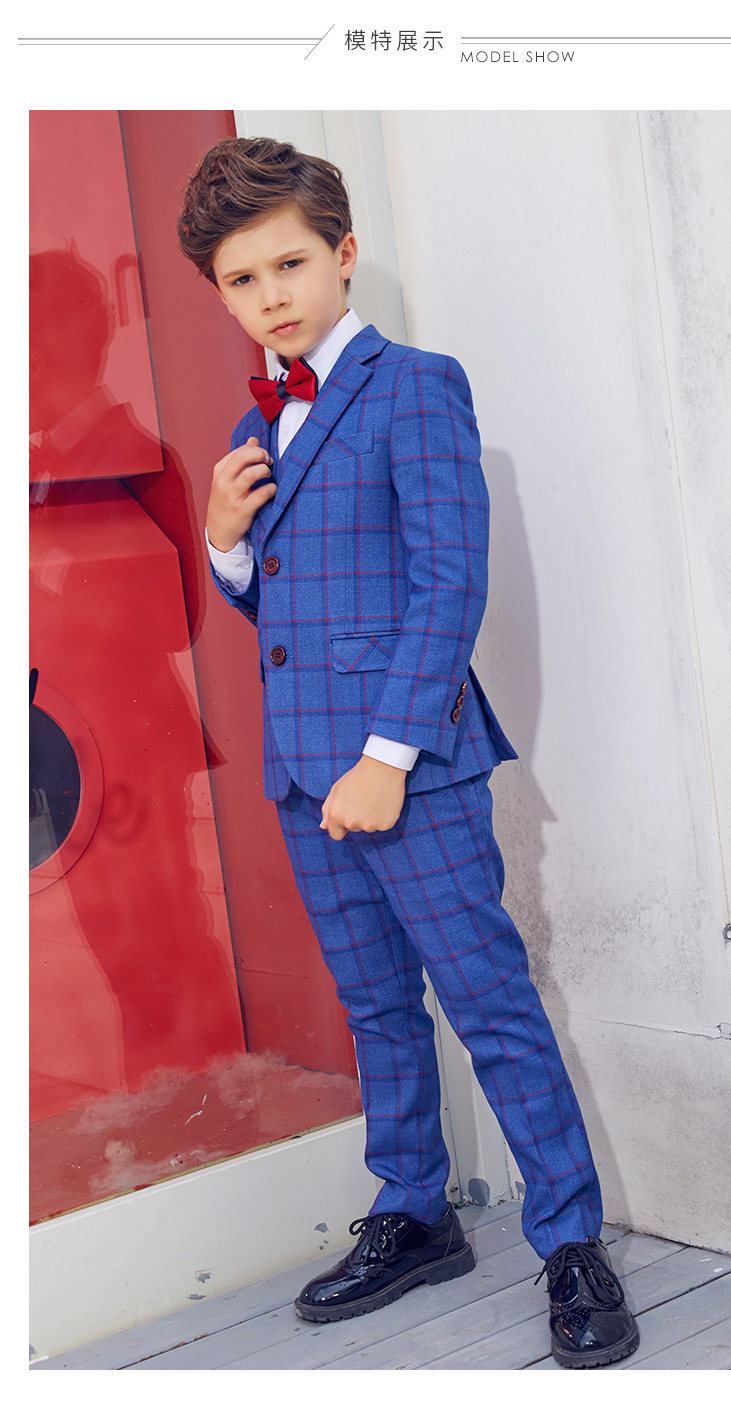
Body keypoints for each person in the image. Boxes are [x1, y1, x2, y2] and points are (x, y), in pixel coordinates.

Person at [177, 136, 639, 1370]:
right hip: (301, 772)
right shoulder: (257, 421)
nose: (270, 295)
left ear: (343, 254)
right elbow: (286, 611)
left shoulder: (417, 386)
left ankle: (570, 1240)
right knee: (377, 1006)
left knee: (488, 1002)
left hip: (408, 767)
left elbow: (446, 585)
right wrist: (223, 541)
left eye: (288, 264)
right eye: (240, 280)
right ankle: (415, 1211)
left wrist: (385, 755)